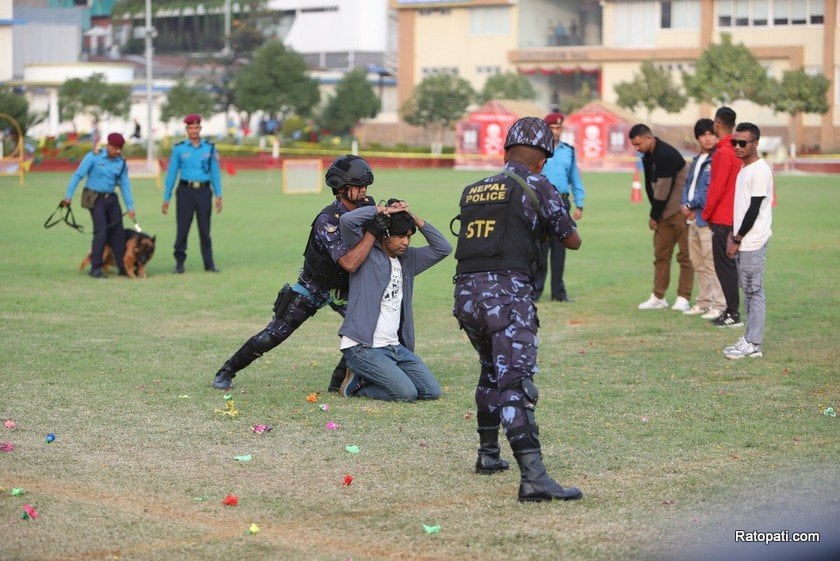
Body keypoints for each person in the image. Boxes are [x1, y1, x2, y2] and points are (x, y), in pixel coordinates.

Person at [452, 117, 583, 503]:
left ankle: (489, 455)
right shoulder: (540, 183)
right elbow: (571, 240)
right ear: (543, 158)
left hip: (466, 295)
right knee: (516, 381)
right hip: (507, 297)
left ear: (505, 151)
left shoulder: (475, 188)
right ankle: (534, 477)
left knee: (491, 371)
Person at [212, 155, 379, 392]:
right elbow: (350, 263)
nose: (364, 191)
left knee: (366, 328)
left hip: (344, 288)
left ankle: (337, 383)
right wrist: (373, 229)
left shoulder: (368, 207)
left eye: (365, 186)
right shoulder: (327, 220)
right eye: (358, 186)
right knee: (274, 334)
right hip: (314, 285)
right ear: (341, 189)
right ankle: (227, 371)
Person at [337, 202, 452, 401]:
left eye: (408, 236)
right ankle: (355, 386)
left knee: (431, 391)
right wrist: (382, 211)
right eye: (400, 236)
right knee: (406, 394)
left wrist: (412, 216)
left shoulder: (409, 259)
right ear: (386, 235)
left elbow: (443, 248)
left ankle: (375, 376)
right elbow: (347, 221)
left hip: (396, 348)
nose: (405, 242)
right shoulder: (367, 253)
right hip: (362, 348)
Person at [628, 124, 693, 312]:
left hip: (680, 212)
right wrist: (656, 214)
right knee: (661, 256)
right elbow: (650, 187)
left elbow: (663, 189)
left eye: (638, 144)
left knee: (685, 256)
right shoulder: (647, 156)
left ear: (649, 138)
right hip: (663, 213)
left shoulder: (666, 154)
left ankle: (683, 297)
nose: (637, 148)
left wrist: (653, 216)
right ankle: (658, 296)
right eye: (634, 145)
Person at [723, 123, 773, 359]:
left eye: (743, 143)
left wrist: (738, 238)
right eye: (735, 142)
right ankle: (749, 339)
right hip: (743, 240)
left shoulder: (760, 171)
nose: (737, 147)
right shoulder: (744, 169)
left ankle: (753, 343)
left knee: (754, 291)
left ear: (755, 144)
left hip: (752, 242)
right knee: (749, 292)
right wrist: (732, 235)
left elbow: (753, 209)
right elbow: (740, 208)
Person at [60, 132, 136, 279]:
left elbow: (125, 185)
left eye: (120, 148)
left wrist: (130, 207)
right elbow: (78, 175)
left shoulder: (121, 162)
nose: (118, 151)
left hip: (112, 199)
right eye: (115, 148)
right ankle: (95, 268)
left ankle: (122, 267)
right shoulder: (94, 156)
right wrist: (68, 196)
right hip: (96, 199)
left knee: (118, 233)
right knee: (101, 233)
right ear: (108, 145)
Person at [533, 111, 585, 302]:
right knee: (540, 249)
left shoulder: (568, 151)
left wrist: (580, 203)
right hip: (540, 203)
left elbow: (575, 178)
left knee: (559, 249)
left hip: (562, 203)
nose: (556, 131)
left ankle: (558, 292)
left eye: (558, 128)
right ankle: (535, 291)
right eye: (552, 128)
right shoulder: (537, 150)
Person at [162, 114, 223, 274]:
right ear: (187, 129)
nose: (194, 130)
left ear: (200, 129)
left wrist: (218, 195)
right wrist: (166, 198)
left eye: (196, 127)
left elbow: (215, 173)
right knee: (183, 228)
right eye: (191, 128)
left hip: (204, 191)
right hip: (185, 192)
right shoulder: (179, 149)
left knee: (205, 229)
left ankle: (209, 263)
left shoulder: (209, 148)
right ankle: (179, 263)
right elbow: (171, 174)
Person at [701, 107, 743, 328]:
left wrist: (707, 213)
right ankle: (731, 310)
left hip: (723, 217)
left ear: (717, 124)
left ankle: (732, 313)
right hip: (735, 215)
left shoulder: (724, 152)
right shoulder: (737, 150)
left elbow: (717, 187)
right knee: (729, 266)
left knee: (724, 267)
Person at [680, 118, 725, 318]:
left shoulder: (717, 159)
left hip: (707, 219)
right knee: (697, 262)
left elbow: (711, 190)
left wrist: (691, 205)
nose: (707, 139)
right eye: (703, 135)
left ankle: (720, 305)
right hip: (692, 219)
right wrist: (684, 204)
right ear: (697, 137)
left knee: (712, 263)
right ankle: (704, 302)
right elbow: (687, 184)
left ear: (717, 135)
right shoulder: (697, 159)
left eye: (710, 134)